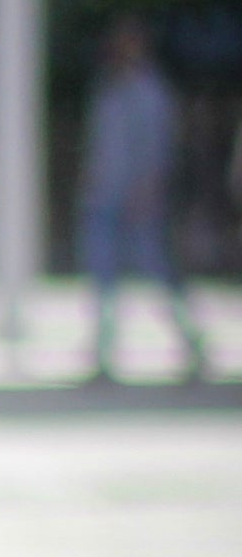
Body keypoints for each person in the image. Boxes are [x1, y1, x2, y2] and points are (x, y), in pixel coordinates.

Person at [79, 19, 207, 384]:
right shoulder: (109, 90)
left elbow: (157, 150)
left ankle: (191, 343)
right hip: (104, 198)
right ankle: (104, 356)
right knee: (103, 279)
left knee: (158, 273)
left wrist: (147, 192)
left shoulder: (149, 93)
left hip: (136, 203)